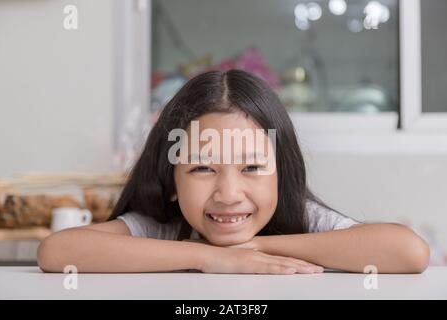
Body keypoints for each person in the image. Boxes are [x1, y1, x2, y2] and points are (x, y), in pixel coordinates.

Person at [37, 70, 430, 274]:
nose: (228, 193)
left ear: (281, 174)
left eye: (253, 167)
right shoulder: (163, 227)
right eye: (203, 167)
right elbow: (58, 252)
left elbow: (409, 252)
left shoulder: (301, 221)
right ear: (172, 182)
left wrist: (257, 248)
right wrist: (210, 258)